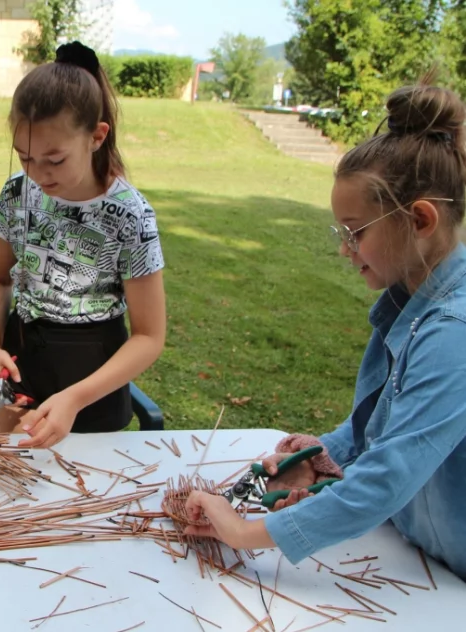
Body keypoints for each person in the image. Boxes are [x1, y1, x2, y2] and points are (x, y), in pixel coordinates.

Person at [185, 75, 466, 581]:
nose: (344, 249)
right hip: (419, 559)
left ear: (420, 220)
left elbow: (388, 477)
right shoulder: (407, 298)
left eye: (355, 232)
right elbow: (379, 430)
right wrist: (323, 459)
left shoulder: (454, 333)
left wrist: (244, 533)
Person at [0, 41, 167, 449]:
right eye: (25, 158)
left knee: (84, 493)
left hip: (92, 378)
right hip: (18, 356)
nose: (39, 174)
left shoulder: (131, 215)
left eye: (55, 159)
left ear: (97, 136)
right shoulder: (17, 193)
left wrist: (75, 398)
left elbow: (149, 336)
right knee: (8, 466)